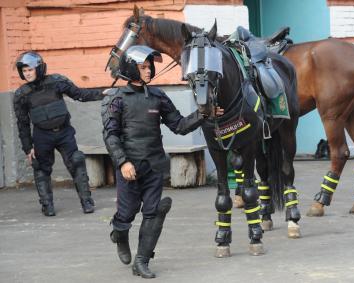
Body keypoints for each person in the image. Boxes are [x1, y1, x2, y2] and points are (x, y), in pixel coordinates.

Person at [102, 45, 223, 279]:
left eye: (150, 66)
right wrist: (123, 162)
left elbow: (178, 125)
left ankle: (141, 261)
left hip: (154, 166)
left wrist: (204, 114)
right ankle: (119, 234)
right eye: (143, 67)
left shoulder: (158, 96)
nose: (149, 71)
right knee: (126, 215)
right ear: (130, 68)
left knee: (153, 212)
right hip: (129, 167)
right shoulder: (116, 99)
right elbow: (111, 135)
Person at [14, 51, 104, 216]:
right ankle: (47, 206)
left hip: (64, 133)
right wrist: (28, 148)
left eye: (30, 69)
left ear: (39, 68)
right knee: (40, 168)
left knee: (77, 161)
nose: (27, 73)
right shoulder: (21, 94)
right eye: (24, 70)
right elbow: (23, 124)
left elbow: (80, 95)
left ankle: (87, 202)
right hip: (42, 136)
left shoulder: (56, 82)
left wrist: (102, 94)